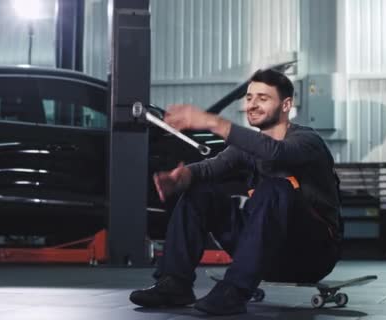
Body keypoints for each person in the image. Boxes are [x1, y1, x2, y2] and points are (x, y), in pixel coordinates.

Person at [129, 69, 342, 315]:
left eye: (263, 98)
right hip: (263, 256)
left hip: (311, 253)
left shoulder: (307, 141)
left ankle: (234, 291)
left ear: (286, 105)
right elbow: (209, 168)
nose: (252, 104)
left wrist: (212, 121)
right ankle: (175, 283)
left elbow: (276, 153)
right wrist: (183, 176)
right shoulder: (245, 149)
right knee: (200, 191)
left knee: (276, 188)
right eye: (249, 98)